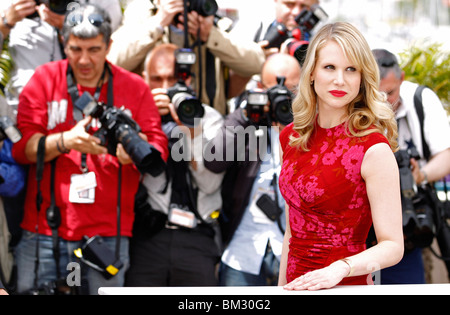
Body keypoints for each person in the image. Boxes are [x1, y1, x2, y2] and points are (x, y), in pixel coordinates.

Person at [11, 4, 168, 295]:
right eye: (75, 49)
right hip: (45, 229)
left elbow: (158, 147)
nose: (84, 60)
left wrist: (131, 150)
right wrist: (64, 141)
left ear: (109, 45)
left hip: (108, 233)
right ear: (64, 43)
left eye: (94, 49)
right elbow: (22, 149)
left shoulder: (134, 86)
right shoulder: (44, 79)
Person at [278, 22, 404, 290]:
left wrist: (341, 268)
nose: (340, 80)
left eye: (351, 70)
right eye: (329, 67)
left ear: (361, 78)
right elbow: (291, 233)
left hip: (347, 286)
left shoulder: (372, 148)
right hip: (294, 285)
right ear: (311, 73)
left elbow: (393, 246)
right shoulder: (290, 137)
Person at [125, 43, 224, 286]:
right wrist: (147, 123)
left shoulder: (209, 118)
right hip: (149, 233)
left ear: (187, 78)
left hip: (197, 235)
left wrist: (190, 132)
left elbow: (209, 183)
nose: (165, 87)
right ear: (144, 80)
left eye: (173, 78)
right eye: (157, 79)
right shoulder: (133, 116)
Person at [206, 53, 300, 286]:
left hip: (295, 249)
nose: (283, 99)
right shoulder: (246, 120)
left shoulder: (313, 123)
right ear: (259, 88)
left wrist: (297, 122)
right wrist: (246, 115)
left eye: (291, 91)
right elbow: (214, 161)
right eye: (274, 91)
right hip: (244, 249)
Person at [372, 48, 450, 284]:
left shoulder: (420, 99)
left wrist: (418, 176)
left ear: (402, 78)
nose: (385, 102)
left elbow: (445, 155)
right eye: (377, 95)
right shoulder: (352, 103)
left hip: (412, 217)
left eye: (390, 93)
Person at [107, 0, 265, 115]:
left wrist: (210, 35)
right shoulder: (143, 14)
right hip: (153, 120)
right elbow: (111, 60)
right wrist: (158, 24)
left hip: (204, 125)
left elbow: (257, 63)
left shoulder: (211, 19)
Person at [0, 0, 122, 115]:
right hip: (26, 103)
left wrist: (70, 28)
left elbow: (102, 45)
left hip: (83, 101)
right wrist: (5, 23)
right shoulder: (11, 3)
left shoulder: (101, 3)